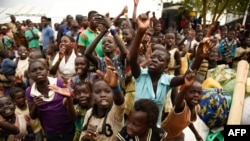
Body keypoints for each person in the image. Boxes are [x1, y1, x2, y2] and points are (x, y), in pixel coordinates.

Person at [129, 12, 214, 127]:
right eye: (152, 57)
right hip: (134, 128)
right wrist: (141, 31)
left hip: (154, 130)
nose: (154, 60)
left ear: (166, 66)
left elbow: (186, 77)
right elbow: (132, 59)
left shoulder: (167, 80)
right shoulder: (140, 75)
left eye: (160, 59)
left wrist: (198, 58)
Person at [25, 59, 76, 141]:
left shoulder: (58, 82)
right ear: (29, 75)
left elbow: (72, 114)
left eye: (41, 69)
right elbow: (33, 116)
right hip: (51, 132)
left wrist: (69, 98)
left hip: (68, 128)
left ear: (47, 70)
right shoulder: (30, 92)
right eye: (34, 70)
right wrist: (35, 106)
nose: (38, 72)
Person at [79, 57, 125, 141]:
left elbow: (120, 103)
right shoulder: (90, 113)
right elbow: (82, 137)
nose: (103, 95)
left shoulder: (115, 111)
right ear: (92, 96)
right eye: (97, 92)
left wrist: (115, 88)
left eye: (107, 91)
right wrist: (86, 137)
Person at [161, 72, 203, 141]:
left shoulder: (197, 108)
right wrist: (186, 87)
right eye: (192, 92)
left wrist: (197, 135)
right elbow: (177, 102)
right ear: (185, 94)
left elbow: (188, 122)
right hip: (164, 135)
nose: (196, 95)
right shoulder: (181, 107)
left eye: (199, 93)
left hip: (177, 134)